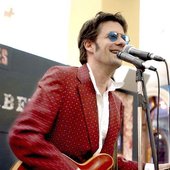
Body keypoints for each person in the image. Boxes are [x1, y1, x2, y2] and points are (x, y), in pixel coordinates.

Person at [8, 11, 169, 170]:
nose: (122, 43)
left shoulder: (116, 104)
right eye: (113, 36)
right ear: (89, 45)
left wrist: (153, 167)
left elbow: (108, 163)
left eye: (124, 38)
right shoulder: (62, 78)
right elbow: (23, 136)